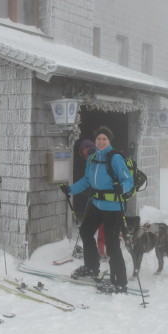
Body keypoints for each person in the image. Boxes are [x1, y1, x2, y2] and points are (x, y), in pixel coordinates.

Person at [60, 126, 134, 293]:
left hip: (113, 207)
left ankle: (120, 281)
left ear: (109, 141)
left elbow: (127, 179)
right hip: (96, 203)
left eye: (104, 139)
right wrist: (71, 190)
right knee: (85, 232)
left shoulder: (115, 158)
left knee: (112, 243)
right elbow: (87, 180)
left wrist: (122, 188)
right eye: (98, 139)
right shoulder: (92, 158)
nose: (101, 142)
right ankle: (92, 267)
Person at [76, 139, 107, 259]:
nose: (84, 153)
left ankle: (101, 251)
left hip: (104, 200)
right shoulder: (93, 158)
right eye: (83, 151)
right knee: (102, 228)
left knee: (102, 227)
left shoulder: (97, 157)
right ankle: (102, 251)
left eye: (85, 150)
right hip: (99, 198)